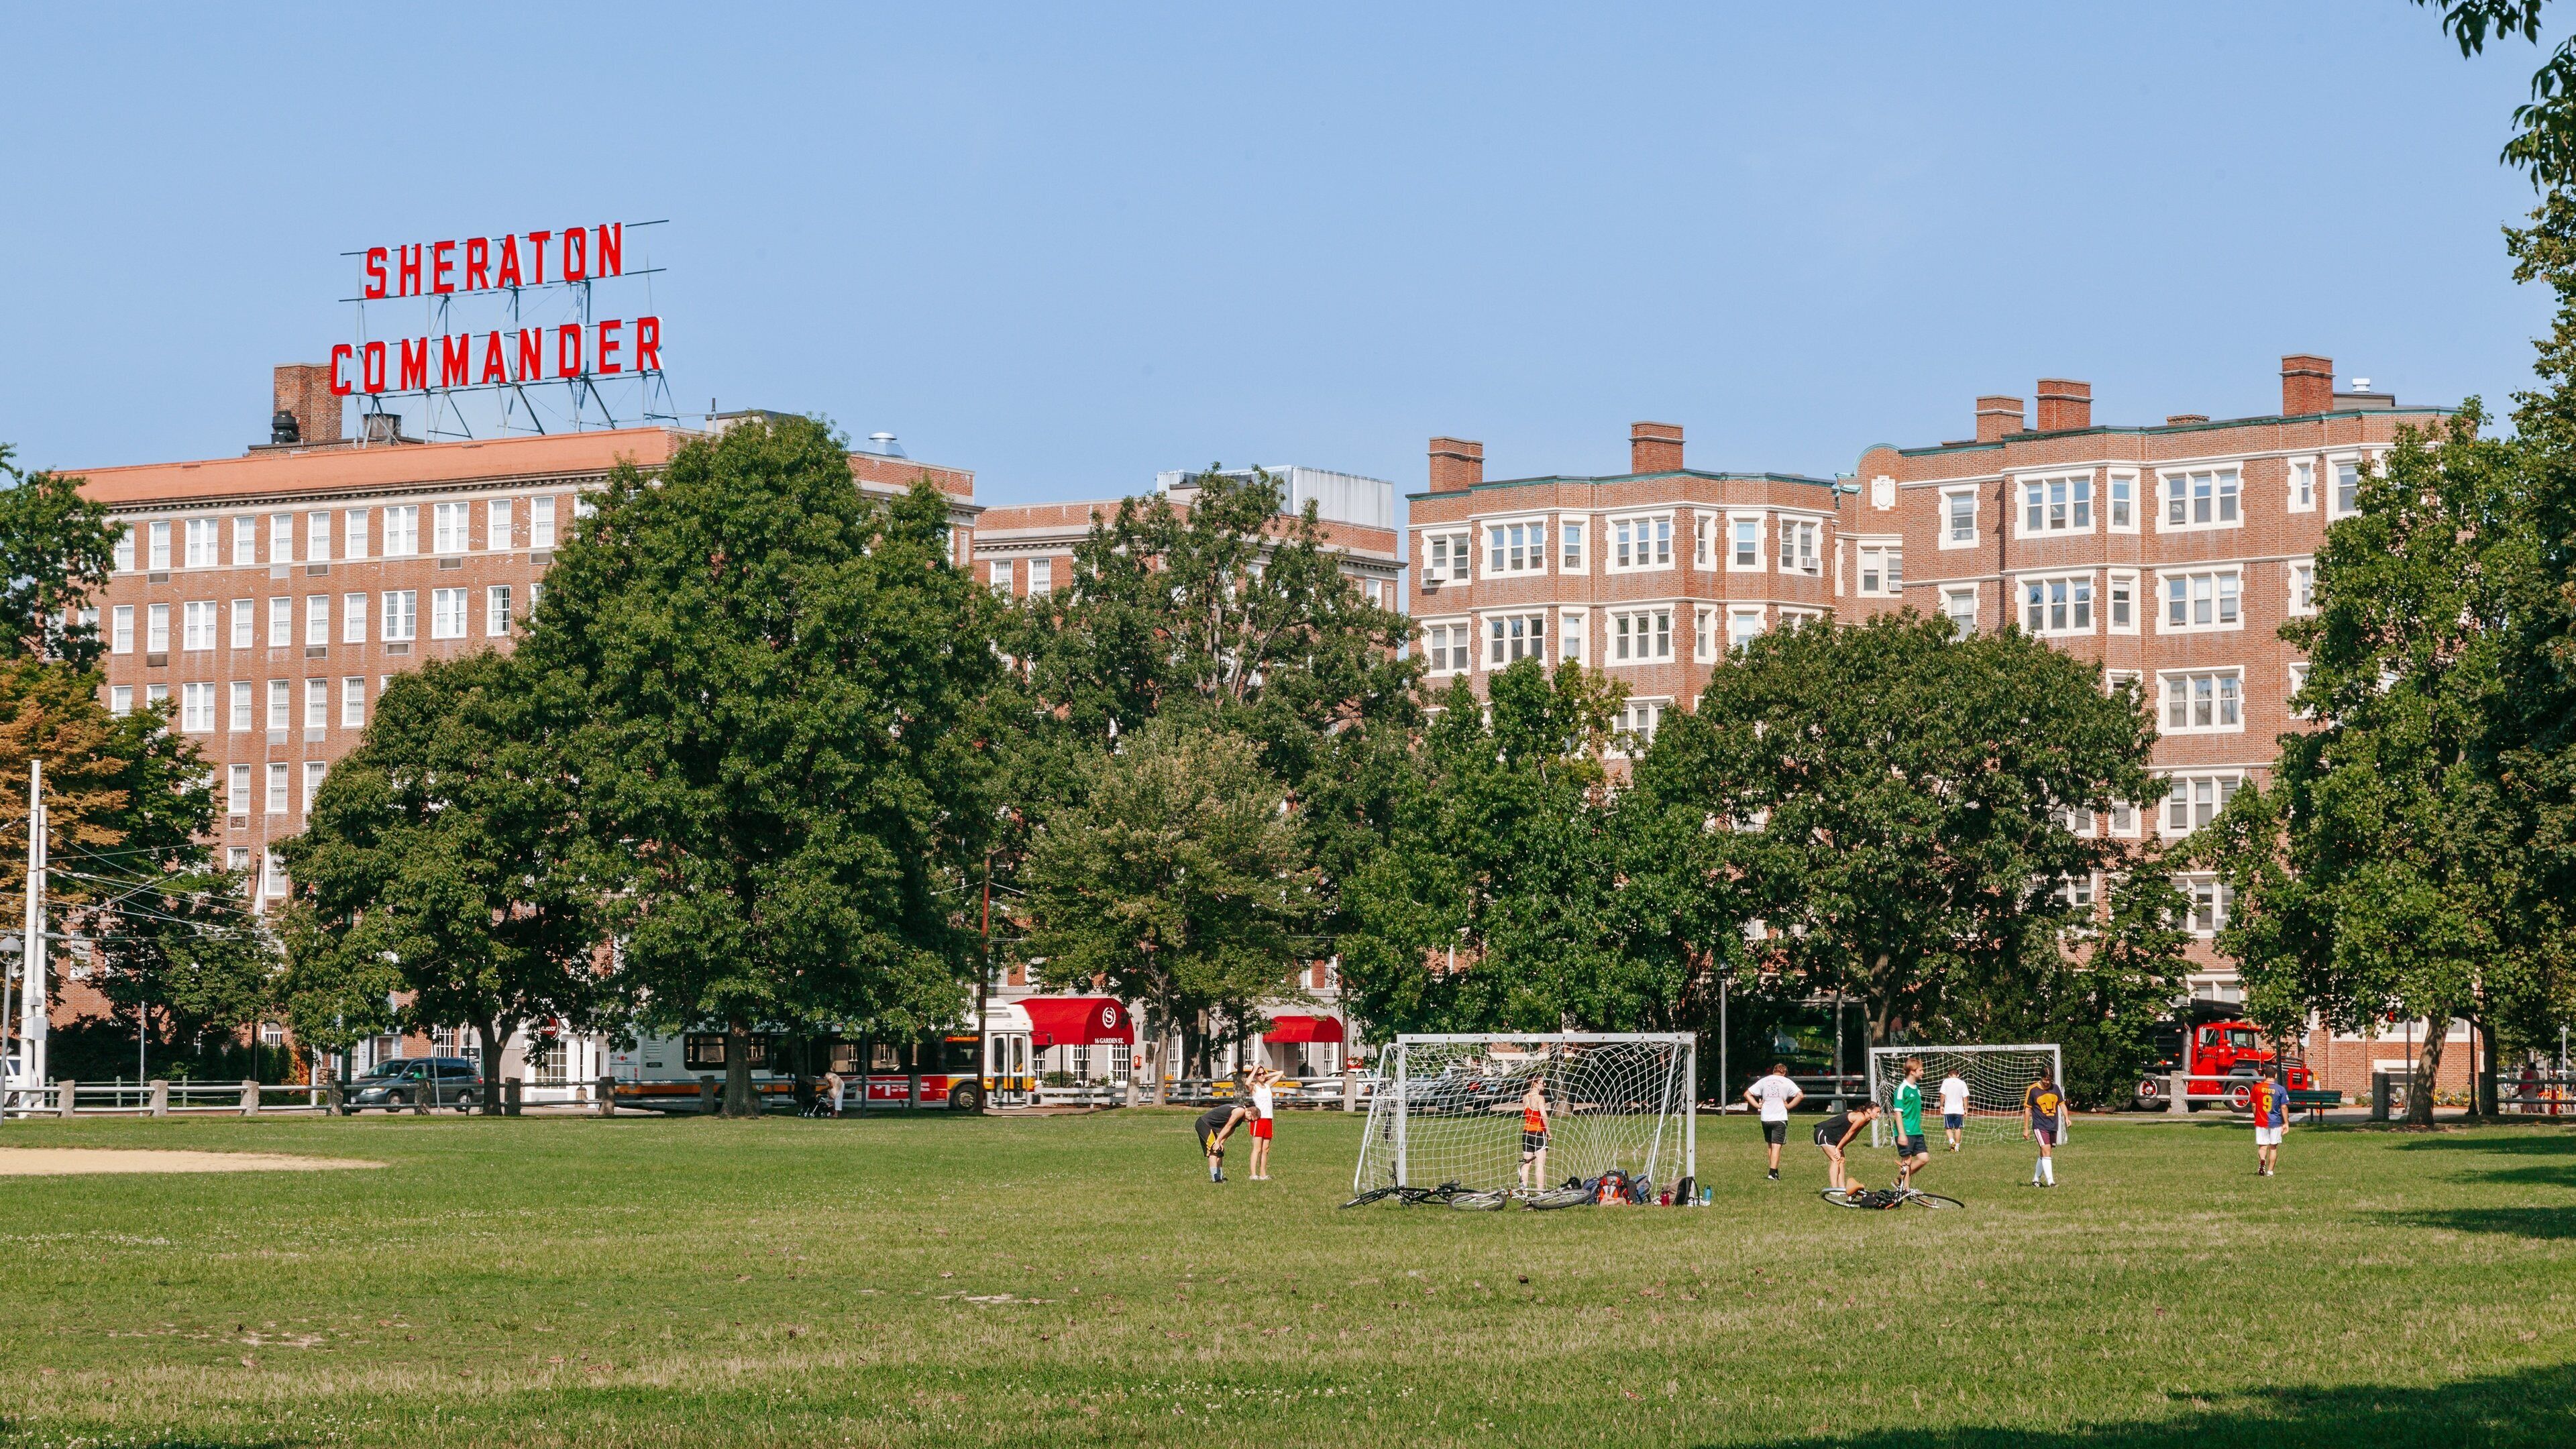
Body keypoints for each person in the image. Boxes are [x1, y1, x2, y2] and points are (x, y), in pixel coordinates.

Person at [1744, 1063, 1805, 1181]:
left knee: (1771, 1145)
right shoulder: (1786, 1081)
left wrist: (1757, 1105)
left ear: (1773, 1071)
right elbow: (1800, 1095)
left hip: (1766, 1117)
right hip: (1779, 1117)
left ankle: (1774, 1171)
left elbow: (1747, 1094)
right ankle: (1772, 1173)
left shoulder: (1764, 1081)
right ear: (1784, 1073)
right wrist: (1789, 1106)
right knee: (1777, 1146)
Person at [1813, 1101, 1878, 1193]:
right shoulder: (1861, 1117)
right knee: (1835, 1159)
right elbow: (1849, 1133)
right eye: (1877, 1112)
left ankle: (1842, 1189)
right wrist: (1838, 1148)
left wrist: (1840, 1147)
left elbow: (1853, 1136)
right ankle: (1834, 1190)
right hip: (1824, 1133)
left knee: (1842, 1160)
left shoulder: (1867, 1120)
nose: (1878, 1115)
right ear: (1869, 1110)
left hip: (1834, 1138)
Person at [1890, 1059, 1931, 1188]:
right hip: (1905, 1131)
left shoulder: (1917, 1088)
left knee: (1924, 1158)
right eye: (1921, 1070)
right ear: (1912, 1072)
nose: (1923, 1072)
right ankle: (1906, 1189)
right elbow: (1897, 1113)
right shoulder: (1902, 1089)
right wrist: (1901, 1134)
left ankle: (1900, 1180)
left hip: (1916, 1131)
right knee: (1907, 1161)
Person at [2021, 1071, 2066, 1187]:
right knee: (2047, 1151)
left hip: (2052, 1125)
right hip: (2039, 1125)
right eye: (2045, 1079)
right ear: (2041, 1078)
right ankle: (2051, 1182)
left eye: (2049, 1080)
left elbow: (2062, 1104)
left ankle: (2035, 1180)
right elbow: (2027, 1110)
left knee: (2044, 1152)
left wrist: (2067, 1118)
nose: (2047, 1082)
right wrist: (2026, 1128)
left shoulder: (2055, 1088)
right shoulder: (2033, 1089)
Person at [1195, 1099, 1250, 1183]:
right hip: (1204, 1124)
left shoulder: (1241, 1115)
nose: (1248, 1121)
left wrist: (1221, 1142)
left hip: (1210, 1126)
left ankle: (1220, 1176)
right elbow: (1228, 1126)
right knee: (1214, 1150)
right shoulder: (1240, 1111)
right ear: (1249, 1112)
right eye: (1250, 1119)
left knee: (1220, 1150)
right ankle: (1216, 1179)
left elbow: (1231, 1129)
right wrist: (1217, 1142)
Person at [2249, 1065, 2288, 1177]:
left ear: (2264, 1076)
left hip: (2261, 1120)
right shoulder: (2280, 1089)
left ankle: (2262, 1160)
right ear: (2275, 1075)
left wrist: (2256, 1117)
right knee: (2273, 1147)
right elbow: (2284, 1107)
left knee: (2262, 1146)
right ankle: (2270, 1171)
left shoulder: (2257, 1088)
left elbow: (2254, 1105)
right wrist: (2286, 1123)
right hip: (2275, 1122)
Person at [1517, 1073, 1552, 1190]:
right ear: (1535, 1084)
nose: (1545, 1085)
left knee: (1526, 1164)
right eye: (1542, 1082)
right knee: (1540, 1165)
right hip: (1538, 1133)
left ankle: (1524, 1190)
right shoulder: (1539, 1098)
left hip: (1526, 1133)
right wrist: (1548, 1131)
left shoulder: (1525, 1097)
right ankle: (1540, 1192)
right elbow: (1543, 1116)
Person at [1246, 1065, 1282, 1181]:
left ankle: (1263, 1174)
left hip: (1269, 1119)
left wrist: (1265, 1075)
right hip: (1259, 1120)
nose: (1261, 1076)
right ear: (1255, 1076)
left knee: (1266, 1149)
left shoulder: (1267, 1086)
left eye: (1262, 1074)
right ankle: (1253, 1175)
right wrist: (1255, 1071)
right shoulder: (1254, 1087)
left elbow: (1280, 1073)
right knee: (1257, 1149)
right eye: (1259, 1074)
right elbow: (1247, 1083)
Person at [1939, 1068, 1971, 1151]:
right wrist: (1966, 1109)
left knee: (1948, 1128)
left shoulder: (1946, 1082)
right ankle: (1956, 1147)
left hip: (1948, 1109)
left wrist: (1941, 1106)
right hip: (1959, 1110)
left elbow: (1942, 1095)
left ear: (1949, 1075)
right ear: (1958, 1075)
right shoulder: (1962, 1083)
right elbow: (1965, 1097)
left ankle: (1951, 1141)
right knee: (1958, 1128)